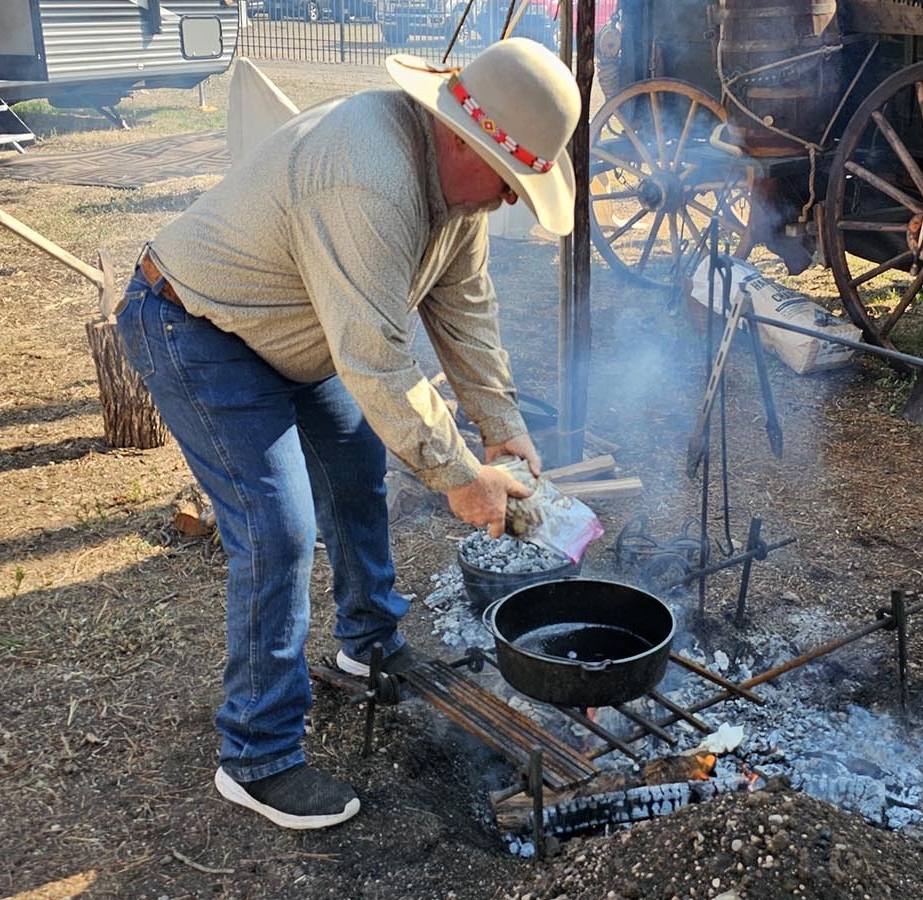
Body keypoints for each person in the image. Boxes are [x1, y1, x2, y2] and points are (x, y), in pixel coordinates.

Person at [114, 39, 580, 830]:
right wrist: (461, 476)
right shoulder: (367, 174)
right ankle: (257, 757)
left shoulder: (456, 195)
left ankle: (367, 643)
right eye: (509, 181)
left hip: (299, 336)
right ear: (463, 140)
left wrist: (501, 430)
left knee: (358, 470)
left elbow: (464, 310)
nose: (508, 201)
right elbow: (376, 358)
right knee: (278, 529)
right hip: (196, 328)